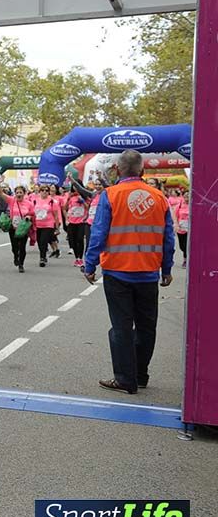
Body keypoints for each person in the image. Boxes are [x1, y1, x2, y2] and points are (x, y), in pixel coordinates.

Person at [83, 150, 175, 394]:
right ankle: (140, 374)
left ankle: (125, 378)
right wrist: (167, 268)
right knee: (146, 326)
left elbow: (99, 233)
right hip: (148, 272)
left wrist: (89, 264)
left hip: (117, 272)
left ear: (118, 170)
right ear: (143, 171)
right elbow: (168, 237)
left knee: (121, 327)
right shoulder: (159, 197)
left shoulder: (110, 195)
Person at [0, 181, 35, 273]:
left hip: (23, 228)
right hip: (13, 227)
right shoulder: (12, 200)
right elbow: (1, 193)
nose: (19, 194)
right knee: (14, 247)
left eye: (20, 192)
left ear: (24, 193)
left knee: (22, 247)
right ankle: (15, 256)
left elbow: (32, 214)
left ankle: (21, 264)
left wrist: (28, 217)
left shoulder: (29, 203)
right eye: (17, 192)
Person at [32, 184, 62, 267]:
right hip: (37, 224)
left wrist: (57, 227)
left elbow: (56, 215)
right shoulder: (35, 200)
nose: (44, 192)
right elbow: (32, 212)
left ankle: (42, 257)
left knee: (43, 241)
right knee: (39, 241)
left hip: (48, 225)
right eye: (42, 190)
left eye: (46, 190)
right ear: (40, 191)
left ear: (48, 192)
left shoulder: (52, 201)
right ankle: (43, 255)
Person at [64, 184, 89, 267]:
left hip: (81, 222)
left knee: (80, 239)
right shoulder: (70, 197)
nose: (75, 188)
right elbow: (64, 208)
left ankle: (80, 258)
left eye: (77, 186)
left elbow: (88, 207)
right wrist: (66, 218)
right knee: (73, 240)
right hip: (72, 222)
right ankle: (76, 258)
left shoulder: (85, 196)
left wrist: (82, 201)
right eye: (74, 187)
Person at [175, 190, 190, 268]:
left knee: (187, 245)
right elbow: (175, 216)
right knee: (182, 246)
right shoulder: (179, 205)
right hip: (181, 229)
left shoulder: (192, 205)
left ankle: (186, 260)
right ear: (183, 196)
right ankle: (186, 257)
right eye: (185, 196)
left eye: (188, 195)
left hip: (189, 229)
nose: (187, 197)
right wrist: (176, 225)